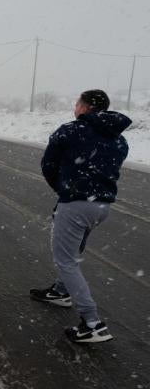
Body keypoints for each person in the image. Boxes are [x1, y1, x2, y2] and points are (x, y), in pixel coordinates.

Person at [31, 89, 131, 343]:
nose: (75, 107)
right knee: (73, 252)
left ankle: (92, 322)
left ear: (85, 107)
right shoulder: (119, 139)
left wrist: (65, 190)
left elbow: (48, 165)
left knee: (66, 260)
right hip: (101, 206)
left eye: (78, 103)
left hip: (76, 204)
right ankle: (61, 292)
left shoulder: (71, 130)